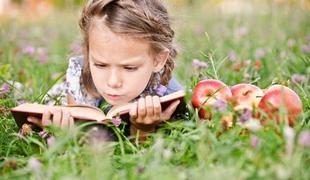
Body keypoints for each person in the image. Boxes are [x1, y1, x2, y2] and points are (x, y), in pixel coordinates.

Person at [27, 0, 187, 141]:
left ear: (158, 60)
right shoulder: (80, 79)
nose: (113, 82)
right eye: (100, 65)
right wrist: (66, 136)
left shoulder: (168, 97)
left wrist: (143, 130)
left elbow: (141, 162)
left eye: (129, 68)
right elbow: (83, 143)